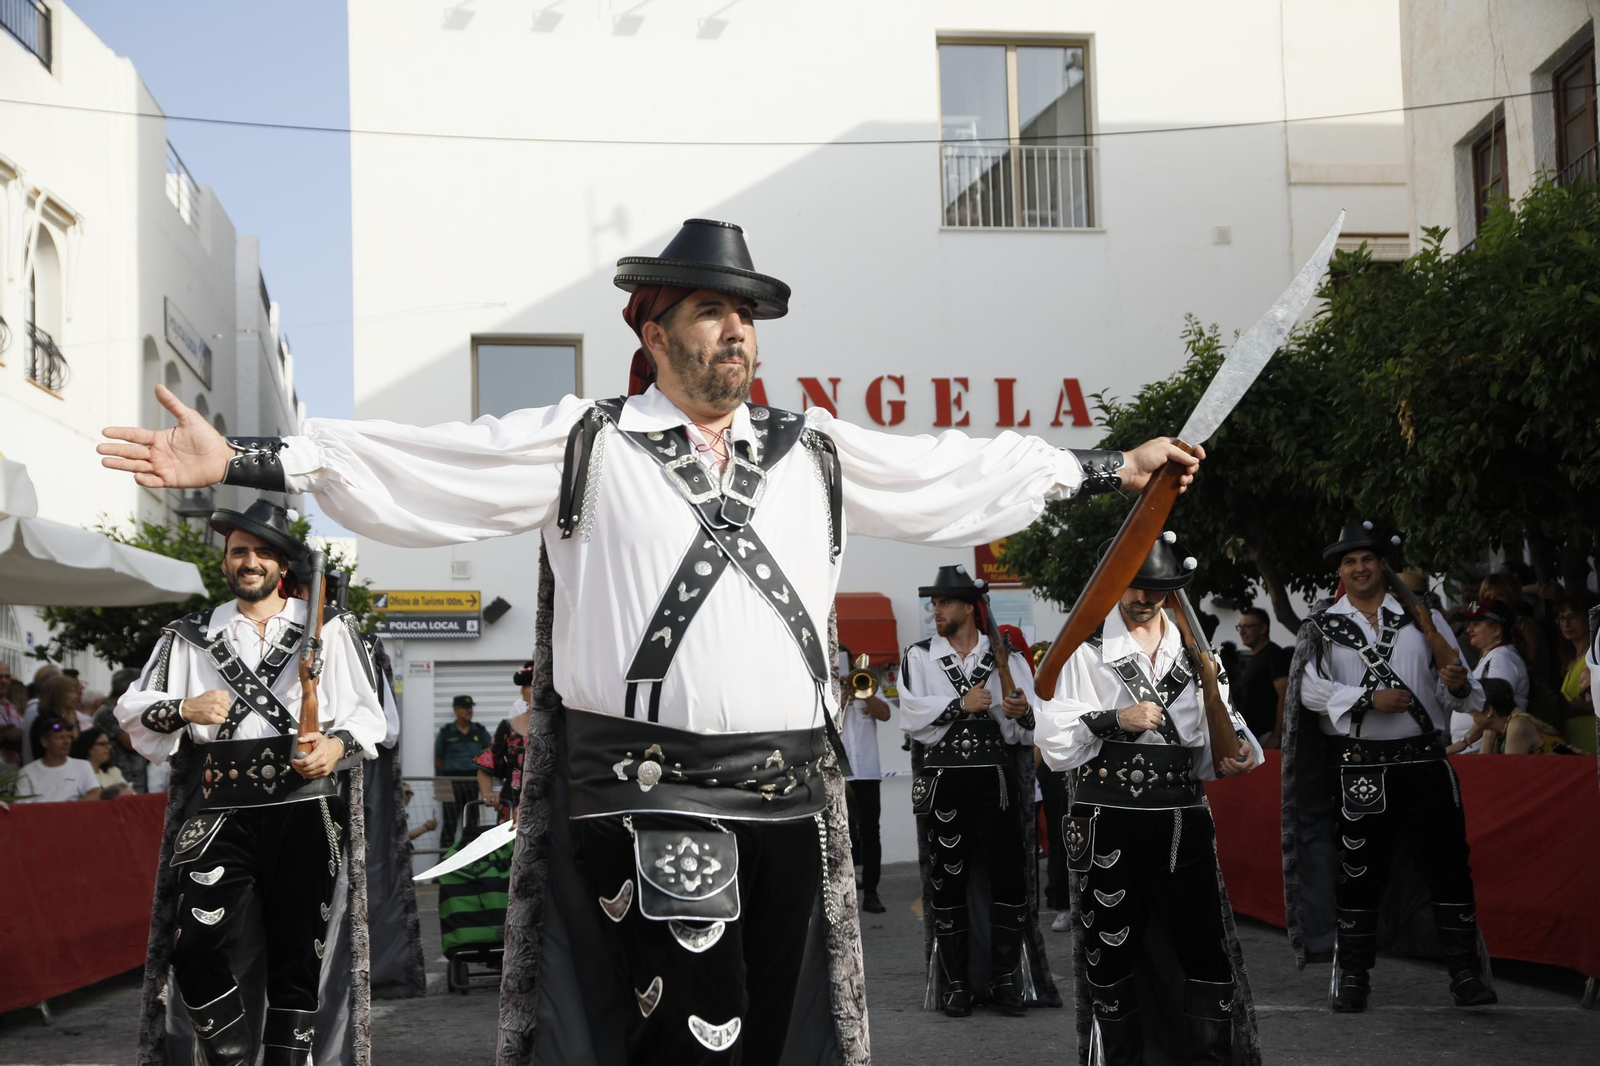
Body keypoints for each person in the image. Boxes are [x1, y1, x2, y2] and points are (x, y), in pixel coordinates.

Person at [97, 217, 1198, 1066]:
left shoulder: (811, 446)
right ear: (653, 327)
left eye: (748, 313)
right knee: (694, 1035)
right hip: (645, 794)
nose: (736, 330)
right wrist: (248, 458)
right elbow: (434, 462)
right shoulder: (589, 442)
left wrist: (1107, 468)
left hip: (788, 801)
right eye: (712, 310)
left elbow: (951, 473)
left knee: (773, 1034)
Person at [114, 498, 387, 1066]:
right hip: (222, 809)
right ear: (225, 564)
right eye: (240, 552)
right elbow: (132, 711)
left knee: (298, 957)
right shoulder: (187, 636)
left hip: (305, 806)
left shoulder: (330, 628)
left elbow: (372, 715)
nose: (251, 561)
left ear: (282, 565)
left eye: (263, 552)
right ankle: (233, 1057)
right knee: (195, 949)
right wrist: (185, 706)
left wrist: (336, 745)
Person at [1038, 533, 1263, 1065]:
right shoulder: (1085, 648)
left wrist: (1239, 752)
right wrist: (1116, 718)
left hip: (1183, 818)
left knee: (1202, 948)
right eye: (1136, 586)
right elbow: (1052, 740)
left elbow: (1219, 741)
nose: (1145, 597)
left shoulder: (1198, 655)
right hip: (1109, 816)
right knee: (1111, 949)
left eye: (1158, 589)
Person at [1282, 521, 1494, 1014]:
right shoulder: (1321, 628)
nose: (1359, 568)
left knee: (1448, 868)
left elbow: (1460, 694)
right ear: (1341, 571)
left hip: (1425, 763)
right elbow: (1310, 692)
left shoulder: (1428, 622)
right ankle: (1354, 976)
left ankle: (1465, 974)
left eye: (1367, 559)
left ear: (1383, 565)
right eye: (1349, 562)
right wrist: (1367, 699)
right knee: (1359, 873)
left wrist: (1457, 683)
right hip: (1361, 771)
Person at [901, 565, 1051, 1018]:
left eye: (943, 602)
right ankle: (956, 983)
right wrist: (958, 704)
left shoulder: (1008, 657)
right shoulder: (920, 656)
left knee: (1008, 874)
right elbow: (911, 718)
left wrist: (1019, 710)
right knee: (948, 878)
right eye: (934, 603)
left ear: (969, 607)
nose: (935, 610)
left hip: (997, 780)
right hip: (945, 778)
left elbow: (1029, 729)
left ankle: (1007, 980)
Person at [837, 647, 891, 915]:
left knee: (871, 833)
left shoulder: (866, 682)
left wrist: (865, 693)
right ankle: (842, 892)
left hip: (867, 772)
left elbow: (885, 714)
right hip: (838, 775)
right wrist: (839, 699)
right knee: (840, 834)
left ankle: (871, 892)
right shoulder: (825, 690)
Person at [1452, 599, 1529, 751]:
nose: (1469, 629)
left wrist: (1463, 743)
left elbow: (1495, 711)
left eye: (1476, 624)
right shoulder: (1495, 656)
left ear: (1496, 630)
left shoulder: (1503, 658)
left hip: (1485, 752)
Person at [474, 664, 535, 821]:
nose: (536, 689)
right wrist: (488, 793)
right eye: (530, 684)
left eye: (541, 683)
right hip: (513, 806)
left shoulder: (562, 725)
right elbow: (486, 766)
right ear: (523, 692)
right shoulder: (508, 727)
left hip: (554, 806)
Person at [435, 694, 492, 842]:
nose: (469, 711)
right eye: (465, 708)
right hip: (451, 781)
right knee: (449, 821)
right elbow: (438, 758)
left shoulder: (479, 731)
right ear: (456, 710)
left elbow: (490, 753)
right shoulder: (447, 731)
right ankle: (445, 859)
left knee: (472, 821)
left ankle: (472, 860)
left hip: (473, 780)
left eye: (471, 708)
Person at [1470, 677, 1575, 755]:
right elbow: (1484, 771)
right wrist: (1488, 738)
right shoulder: (1499, 733)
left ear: (1489, 710)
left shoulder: (1517, 724)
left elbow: (1508, 773)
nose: (1469, 713)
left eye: (1473, 707)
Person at [1235, 606, 1290, 748]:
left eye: (1247, 626)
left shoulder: (1274, 655)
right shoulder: (1255, 658)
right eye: (1240, 627)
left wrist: (1276, 735)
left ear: (1263, 628)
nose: (1242, 631)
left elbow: (1285, 696)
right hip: (1253, 736)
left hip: (1268, 735)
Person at [15, 716, 103, 802]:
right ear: (44, 742)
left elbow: (96, 793)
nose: (67, 742)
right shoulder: (26, 773)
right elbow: (22, 808)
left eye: (68, 737)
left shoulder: (82, 766)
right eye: (60, 737)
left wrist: (70, 810)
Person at [92, 667, 150, 793]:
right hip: (119, 779)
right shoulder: (108, 711)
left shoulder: (125, 709)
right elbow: (131, 742)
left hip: (137, 777)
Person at [1555, 596, 1594, 717]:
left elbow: (1593, 702)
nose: (1566, 624)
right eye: (1562, 618)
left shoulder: (1594, 655)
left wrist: (1557, 706)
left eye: (1572, 617)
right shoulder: (1571, 662)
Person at [71, 727, 133, 794]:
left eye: (108, 743)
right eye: (102, 744)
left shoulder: (113, 772)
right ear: (88, 747)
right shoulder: (76, 775)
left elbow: (129, 794)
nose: (108, 747)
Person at [0, 662, 22, 767]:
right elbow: (10, 737)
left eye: (7, 677)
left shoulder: (10, 706)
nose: (3, 681)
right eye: (0, 677)